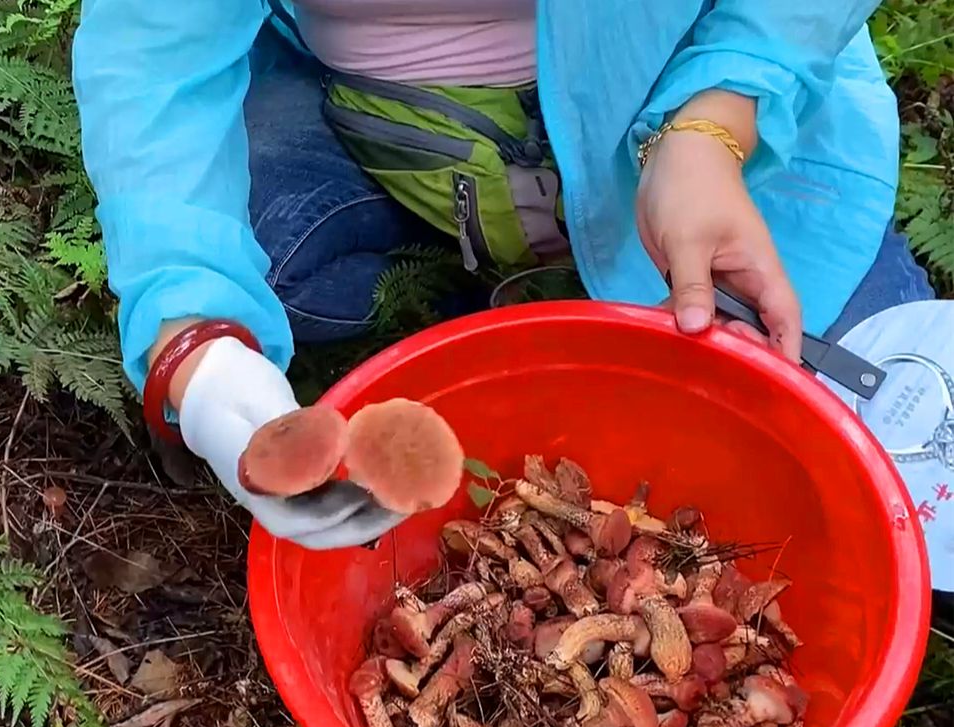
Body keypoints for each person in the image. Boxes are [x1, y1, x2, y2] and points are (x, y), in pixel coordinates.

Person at [71, 1, 937, 549]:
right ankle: (491, 290)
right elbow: (153, 52)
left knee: (900, 469)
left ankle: (554, 292)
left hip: (715, 128)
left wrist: (717, 121)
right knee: (270, 257)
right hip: (398, 132)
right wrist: (197, 338)